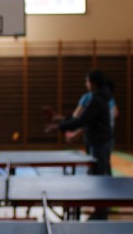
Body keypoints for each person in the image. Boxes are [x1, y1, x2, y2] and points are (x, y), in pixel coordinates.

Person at [46, 69, 112, 218]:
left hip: (99, 142)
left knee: (99, 176)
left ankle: (101, 211)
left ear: (93, 83)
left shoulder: (97, 100)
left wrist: (58, 127)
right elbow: (83, 118)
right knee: (98, 174)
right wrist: (61, 121)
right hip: (99, 141)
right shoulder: (99, 97)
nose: (86, 84)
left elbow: (82, 120)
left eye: (87, 81)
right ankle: (100, 208)